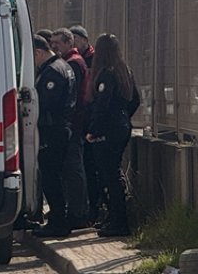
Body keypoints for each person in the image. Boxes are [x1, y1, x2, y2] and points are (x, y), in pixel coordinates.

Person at [86, 34, 141, 237]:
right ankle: (114, 217)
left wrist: (93, 131)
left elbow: (102, 106)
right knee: (112, 173)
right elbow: (135, 99)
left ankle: (119, 222)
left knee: (108, 175)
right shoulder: (124, 70)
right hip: (121, 125)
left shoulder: (106, 74)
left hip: (108, 130)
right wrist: (124, 116)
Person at [32, 35, 79, 238]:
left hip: (53, 130)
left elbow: (46, 104)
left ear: (38, 53)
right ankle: (59, 218)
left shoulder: (53, 71)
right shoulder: (63, 66)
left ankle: (58, 222)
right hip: (61, 128)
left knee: (52, 177)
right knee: (57, 176)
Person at [50, 27, 91, 231]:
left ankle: (78, 213)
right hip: (73, 124)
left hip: (74, 125)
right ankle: (76, 211)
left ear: (69, 42)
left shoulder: (72, 64)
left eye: (58, 42)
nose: (54, 46)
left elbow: (72, 97)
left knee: (73, 170)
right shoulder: (70, 62)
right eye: (52, 43)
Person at [70, 24, 102, 223]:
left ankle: (96, 208)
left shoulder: (94, 59)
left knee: (92, 168)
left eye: (76, 39)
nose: (73, 43)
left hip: (93, 122)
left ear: (84, 39)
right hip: (84, 122)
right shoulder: (76, 60)